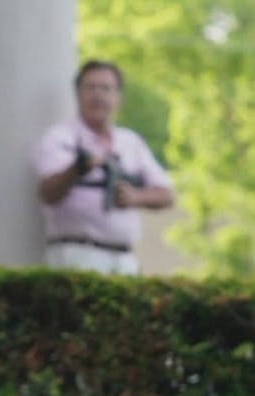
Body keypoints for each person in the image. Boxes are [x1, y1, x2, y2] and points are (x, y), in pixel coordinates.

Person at [31, 59, 174, 274]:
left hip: (123, 257)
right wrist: (77, 170)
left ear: (118, 97)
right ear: (77, 94)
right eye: (90, 88)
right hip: (76, 252)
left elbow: (166, 195)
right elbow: (48, 193)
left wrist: (135, 197)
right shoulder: (61, 138)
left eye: (106, 88)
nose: (98, 95)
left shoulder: (130, 143)